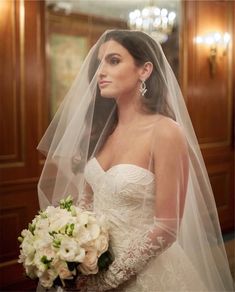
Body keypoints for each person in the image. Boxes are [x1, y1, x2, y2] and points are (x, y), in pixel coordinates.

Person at [37, 30, 234, 291]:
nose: (101, 72)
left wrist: (107, 280)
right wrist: (72, 251)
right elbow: (87, 201)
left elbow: (166, 227)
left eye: (114, 60)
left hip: (146, 274)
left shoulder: (166, 131)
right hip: (95, 266)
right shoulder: (101, 131)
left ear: (145, 70)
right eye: (99, 63)